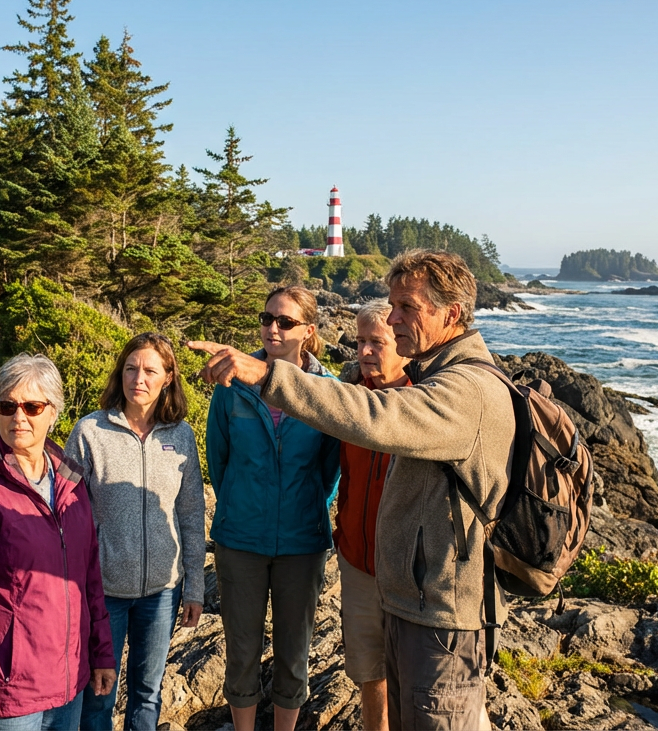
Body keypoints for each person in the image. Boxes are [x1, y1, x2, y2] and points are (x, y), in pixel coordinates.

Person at [189, 250, 514, 731]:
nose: (395, 317)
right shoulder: (429, 375)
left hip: (441, 609)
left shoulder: (462, 387)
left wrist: (267, 375)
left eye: (407, 307)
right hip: (403, 591)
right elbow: (222, 460)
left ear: (451, 314)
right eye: (393, 306)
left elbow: (376, 417)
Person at [0, 354, 116, 731]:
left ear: (53, 412)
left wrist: (101, 653)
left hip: (70, 683)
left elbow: (89, 579)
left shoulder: (71, 480)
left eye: (32, 406)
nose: (19, 416)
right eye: (7, 405)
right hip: (10, 696)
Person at [205, 286, 341, 731]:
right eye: (266, 319)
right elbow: (218, 460)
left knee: (294, 651)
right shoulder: (231, 385)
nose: (272, 328)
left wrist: (299, 509)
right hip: (240, 538)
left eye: (284, 322)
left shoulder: (327, 390)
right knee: (241, 651)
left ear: (309, 331)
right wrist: (245, 506)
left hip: (302, 542)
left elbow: (330, 472)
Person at [67, 333, 207, 731]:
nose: (138, 379)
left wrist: (194, 586)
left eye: (150, 370)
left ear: (168, 378)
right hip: (103, 591)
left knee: (148, 694)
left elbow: (192, 514)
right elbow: (65, 510)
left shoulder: (181, 436)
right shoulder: (89, 431)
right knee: (98, 694)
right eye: (131, 368)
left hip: (163, 592)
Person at [333, 301, 410, 731]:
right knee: (369, 674)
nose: (363, 351)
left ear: (400, 343)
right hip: (358, 562)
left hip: (407, 572)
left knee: (418, 681)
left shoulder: (424, 400)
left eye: (375, 342)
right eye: (359, 341)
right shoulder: (351, 398)